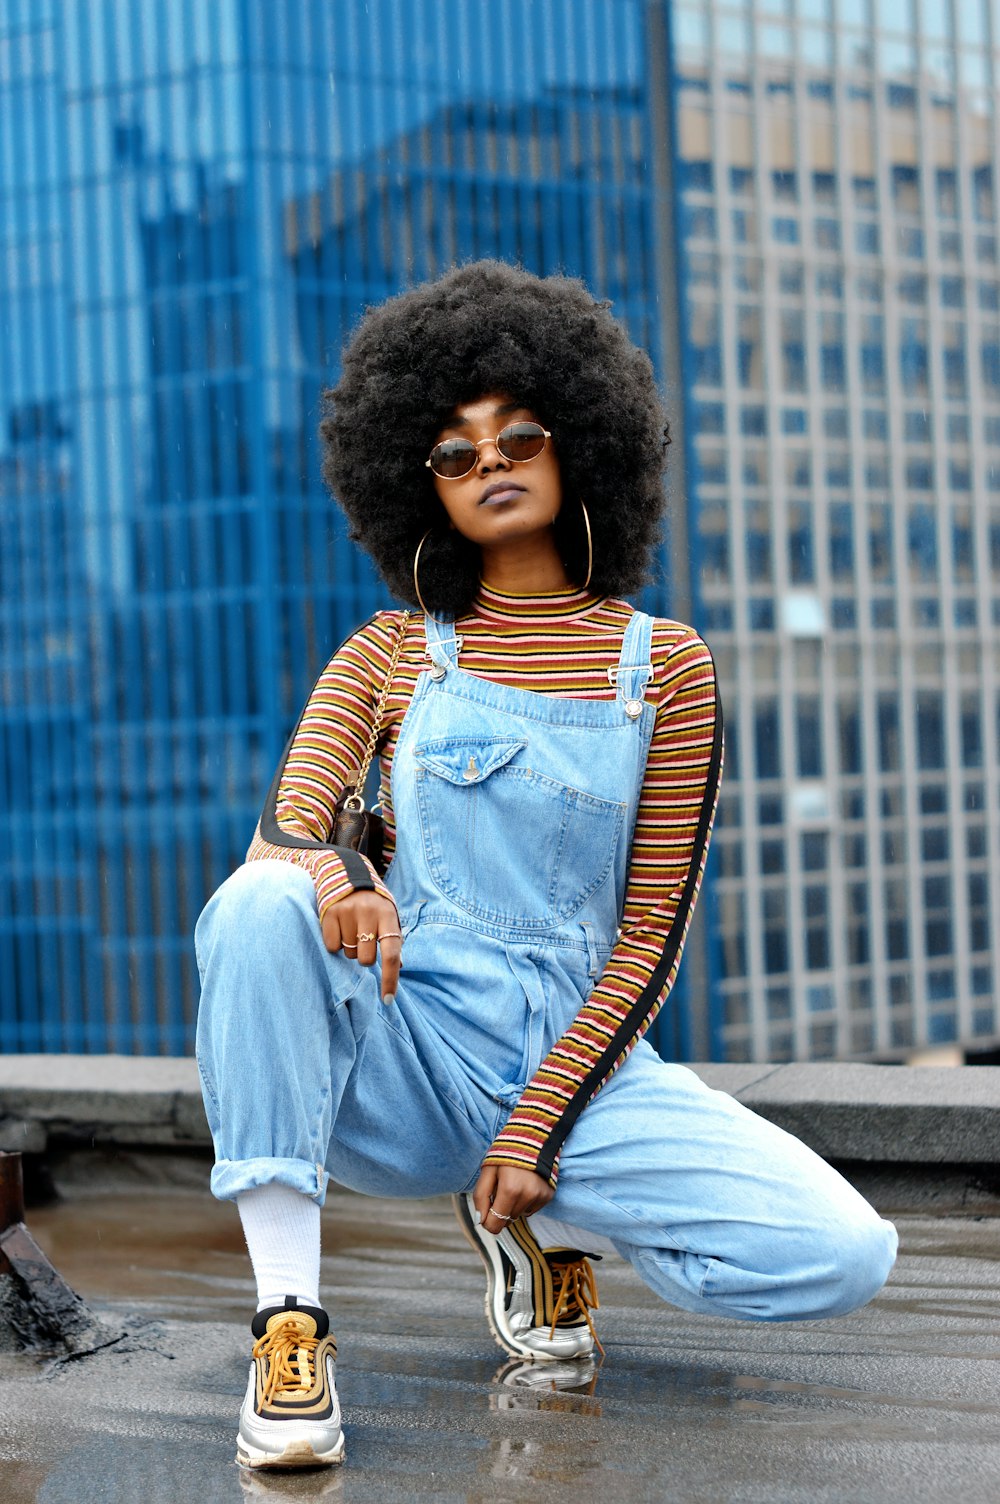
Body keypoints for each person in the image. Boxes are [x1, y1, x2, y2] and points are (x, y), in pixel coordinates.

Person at [195, 260, 897, 1471]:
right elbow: (288, 825)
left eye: (517, 435)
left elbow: (650, 935)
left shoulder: (665, 667)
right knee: (254, 903)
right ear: (417, 487)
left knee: (840, 1254)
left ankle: (532, 1219)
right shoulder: (388, 654)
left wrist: (536, 1132)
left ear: (579, 446)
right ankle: (290, 1330)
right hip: (406, 1048)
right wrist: (334, 874)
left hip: (586, 1057)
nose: (492, 463)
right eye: (454, 454)